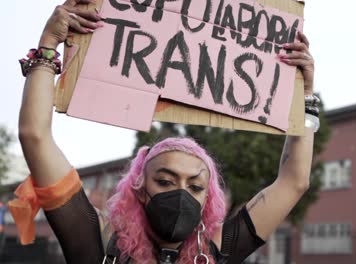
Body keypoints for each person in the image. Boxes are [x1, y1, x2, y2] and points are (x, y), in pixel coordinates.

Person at [8, 0, 319, 263]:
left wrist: (303, 96)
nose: (181, 194)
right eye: (165, 181)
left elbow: (295, 181)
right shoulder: (99, 245)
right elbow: (35, 136)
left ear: (208, 198)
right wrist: (48, 45)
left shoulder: (216, 250)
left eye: (196, 187)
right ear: (140, 188)